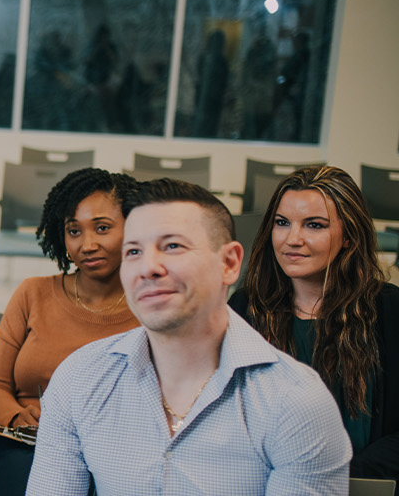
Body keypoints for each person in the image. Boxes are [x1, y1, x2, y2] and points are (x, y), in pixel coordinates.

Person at [27, 179, 351, 494]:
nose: (148, 267)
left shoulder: (296, 402)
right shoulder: (79, 378)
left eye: (172, 246)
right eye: (133, 251)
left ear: (229, 262)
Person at [0, 168, 139, 496]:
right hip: (22, 446)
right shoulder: (33, 293)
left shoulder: (150, 309)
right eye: (74, 231)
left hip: (106, 452)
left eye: (102, 228)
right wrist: (20, 419)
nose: (87, 244)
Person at [228, 166, 399, 480]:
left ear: (348, 236)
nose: (293, 239)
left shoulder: (390, 310)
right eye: (282, 223)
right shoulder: (245, 308)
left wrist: (333, 477)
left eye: (314, 225)